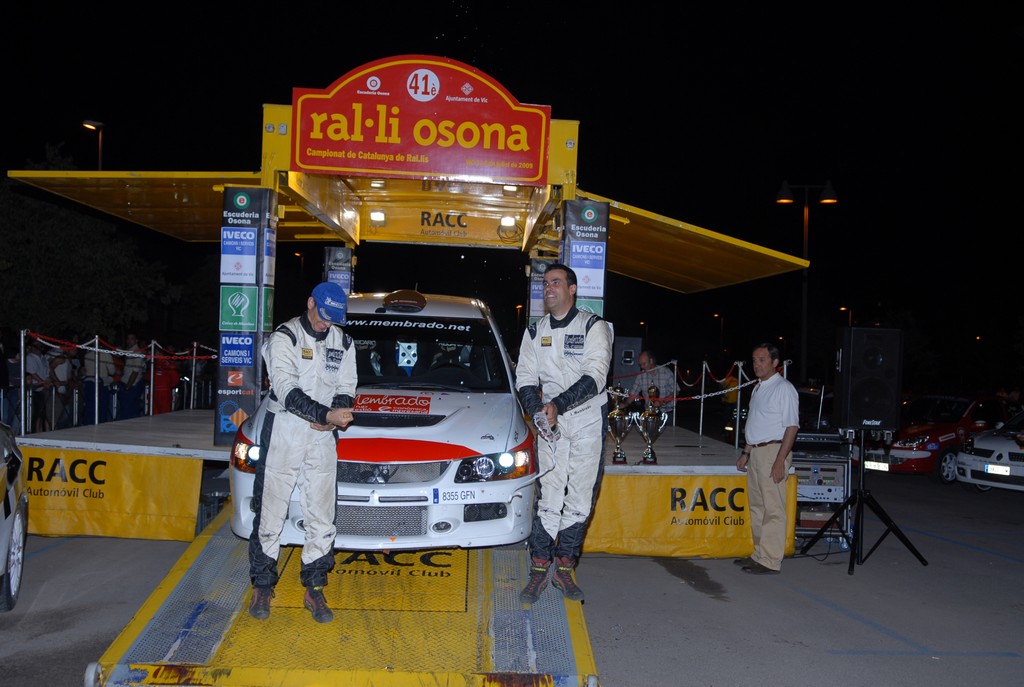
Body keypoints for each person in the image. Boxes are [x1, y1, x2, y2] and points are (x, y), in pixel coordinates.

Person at [248, 282, 357, 624]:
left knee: (322, 514)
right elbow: (285, 388)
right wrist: (325, 415)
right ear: (310, 303)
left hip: (322, 435)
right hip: (285, 427)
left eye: (333, 318)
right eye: (323, 315)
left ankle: (314, 586)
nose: (326, 323)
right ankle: (263, 584)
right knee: (270, 509)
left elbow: (346, 386)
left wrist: (336, 413)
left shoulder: (343, 341)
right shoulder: (285, 338)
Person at [514, 263, 613, 603]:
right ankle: (540, 567)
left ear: (572, 289)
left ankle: (565, 567)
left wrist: (558, 404)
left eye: (556, 282)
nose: (548, 288)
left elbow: (595, 376)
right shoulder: (534, 332)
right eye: (545, 283)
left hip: (586, 419)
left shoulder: (593, 327)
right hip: (550, 422)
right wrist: (538, 411)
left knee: (580, 498)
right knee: (549, 497)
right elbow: (525, 378)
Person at [734, 342, 799, 575]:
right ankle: (759, 554)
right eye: (754, 360)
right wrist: (746, 452)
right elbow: (757, 422)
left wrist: (780, 460)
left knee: (773, 508)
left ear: (775, 362)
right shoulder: (759, 388)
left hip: (774, 452)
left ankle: (770, 560)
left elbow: (792, 427)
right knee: (758, 507)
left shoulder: (784, 388)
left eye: (762, 360)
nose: (757, 364)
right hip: (757, 452)